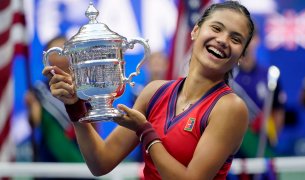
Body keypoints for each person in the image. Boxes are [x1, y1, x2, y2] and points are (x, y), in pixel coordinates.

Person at [42, 1, 255, 179]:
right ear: (195, 31)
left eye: (236, 39)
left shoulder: (230, 107)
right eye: (216, 28)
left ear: (241, 56)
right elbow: (101, 163)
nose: (223, 40)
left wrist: (146, 132)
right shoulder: (155, 93)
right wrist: (76, 108)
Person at [25, 36, 84, 163]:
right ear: (47, 57)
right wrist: (31, 105)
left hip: (83, 152)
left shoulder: (85, 87)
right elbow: (34, 122)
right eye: (56, 52)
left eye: (65, 50)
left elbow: (94, 126)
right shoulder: (39, 91)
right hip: (50, 159)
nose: (61, 56)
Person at [230, 29, 286, 158]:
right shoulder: (226, 76)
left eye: (250, 37)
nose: (247, 43)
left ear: (257, 40)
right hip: (232, 149)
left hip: (261, 147)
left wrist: (269, 137)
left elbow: (278, 112)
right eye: (241, 38)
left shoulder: (270, 75)